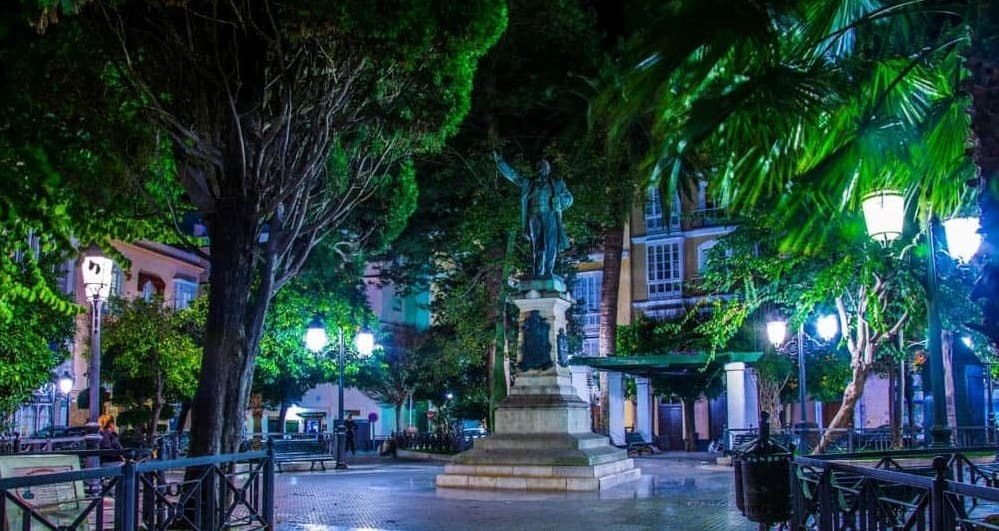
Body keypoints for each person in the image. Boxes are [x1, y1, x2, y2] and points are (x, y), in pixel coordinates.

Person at [494, 151, 573, 278]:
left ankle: (548, 271)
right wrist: (500, 162)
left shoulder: (557, 184)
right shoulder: (529, 184)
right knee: (537, 246)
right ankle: (537, 272)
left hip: (550, 215)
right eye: (538, 167)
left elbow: (569, 199)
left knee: (550, 244)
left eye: (542, 167)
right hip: (534, 216)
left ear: (548, 170)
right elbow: (513, 176)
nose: (540, 169)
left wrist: (560, 201)